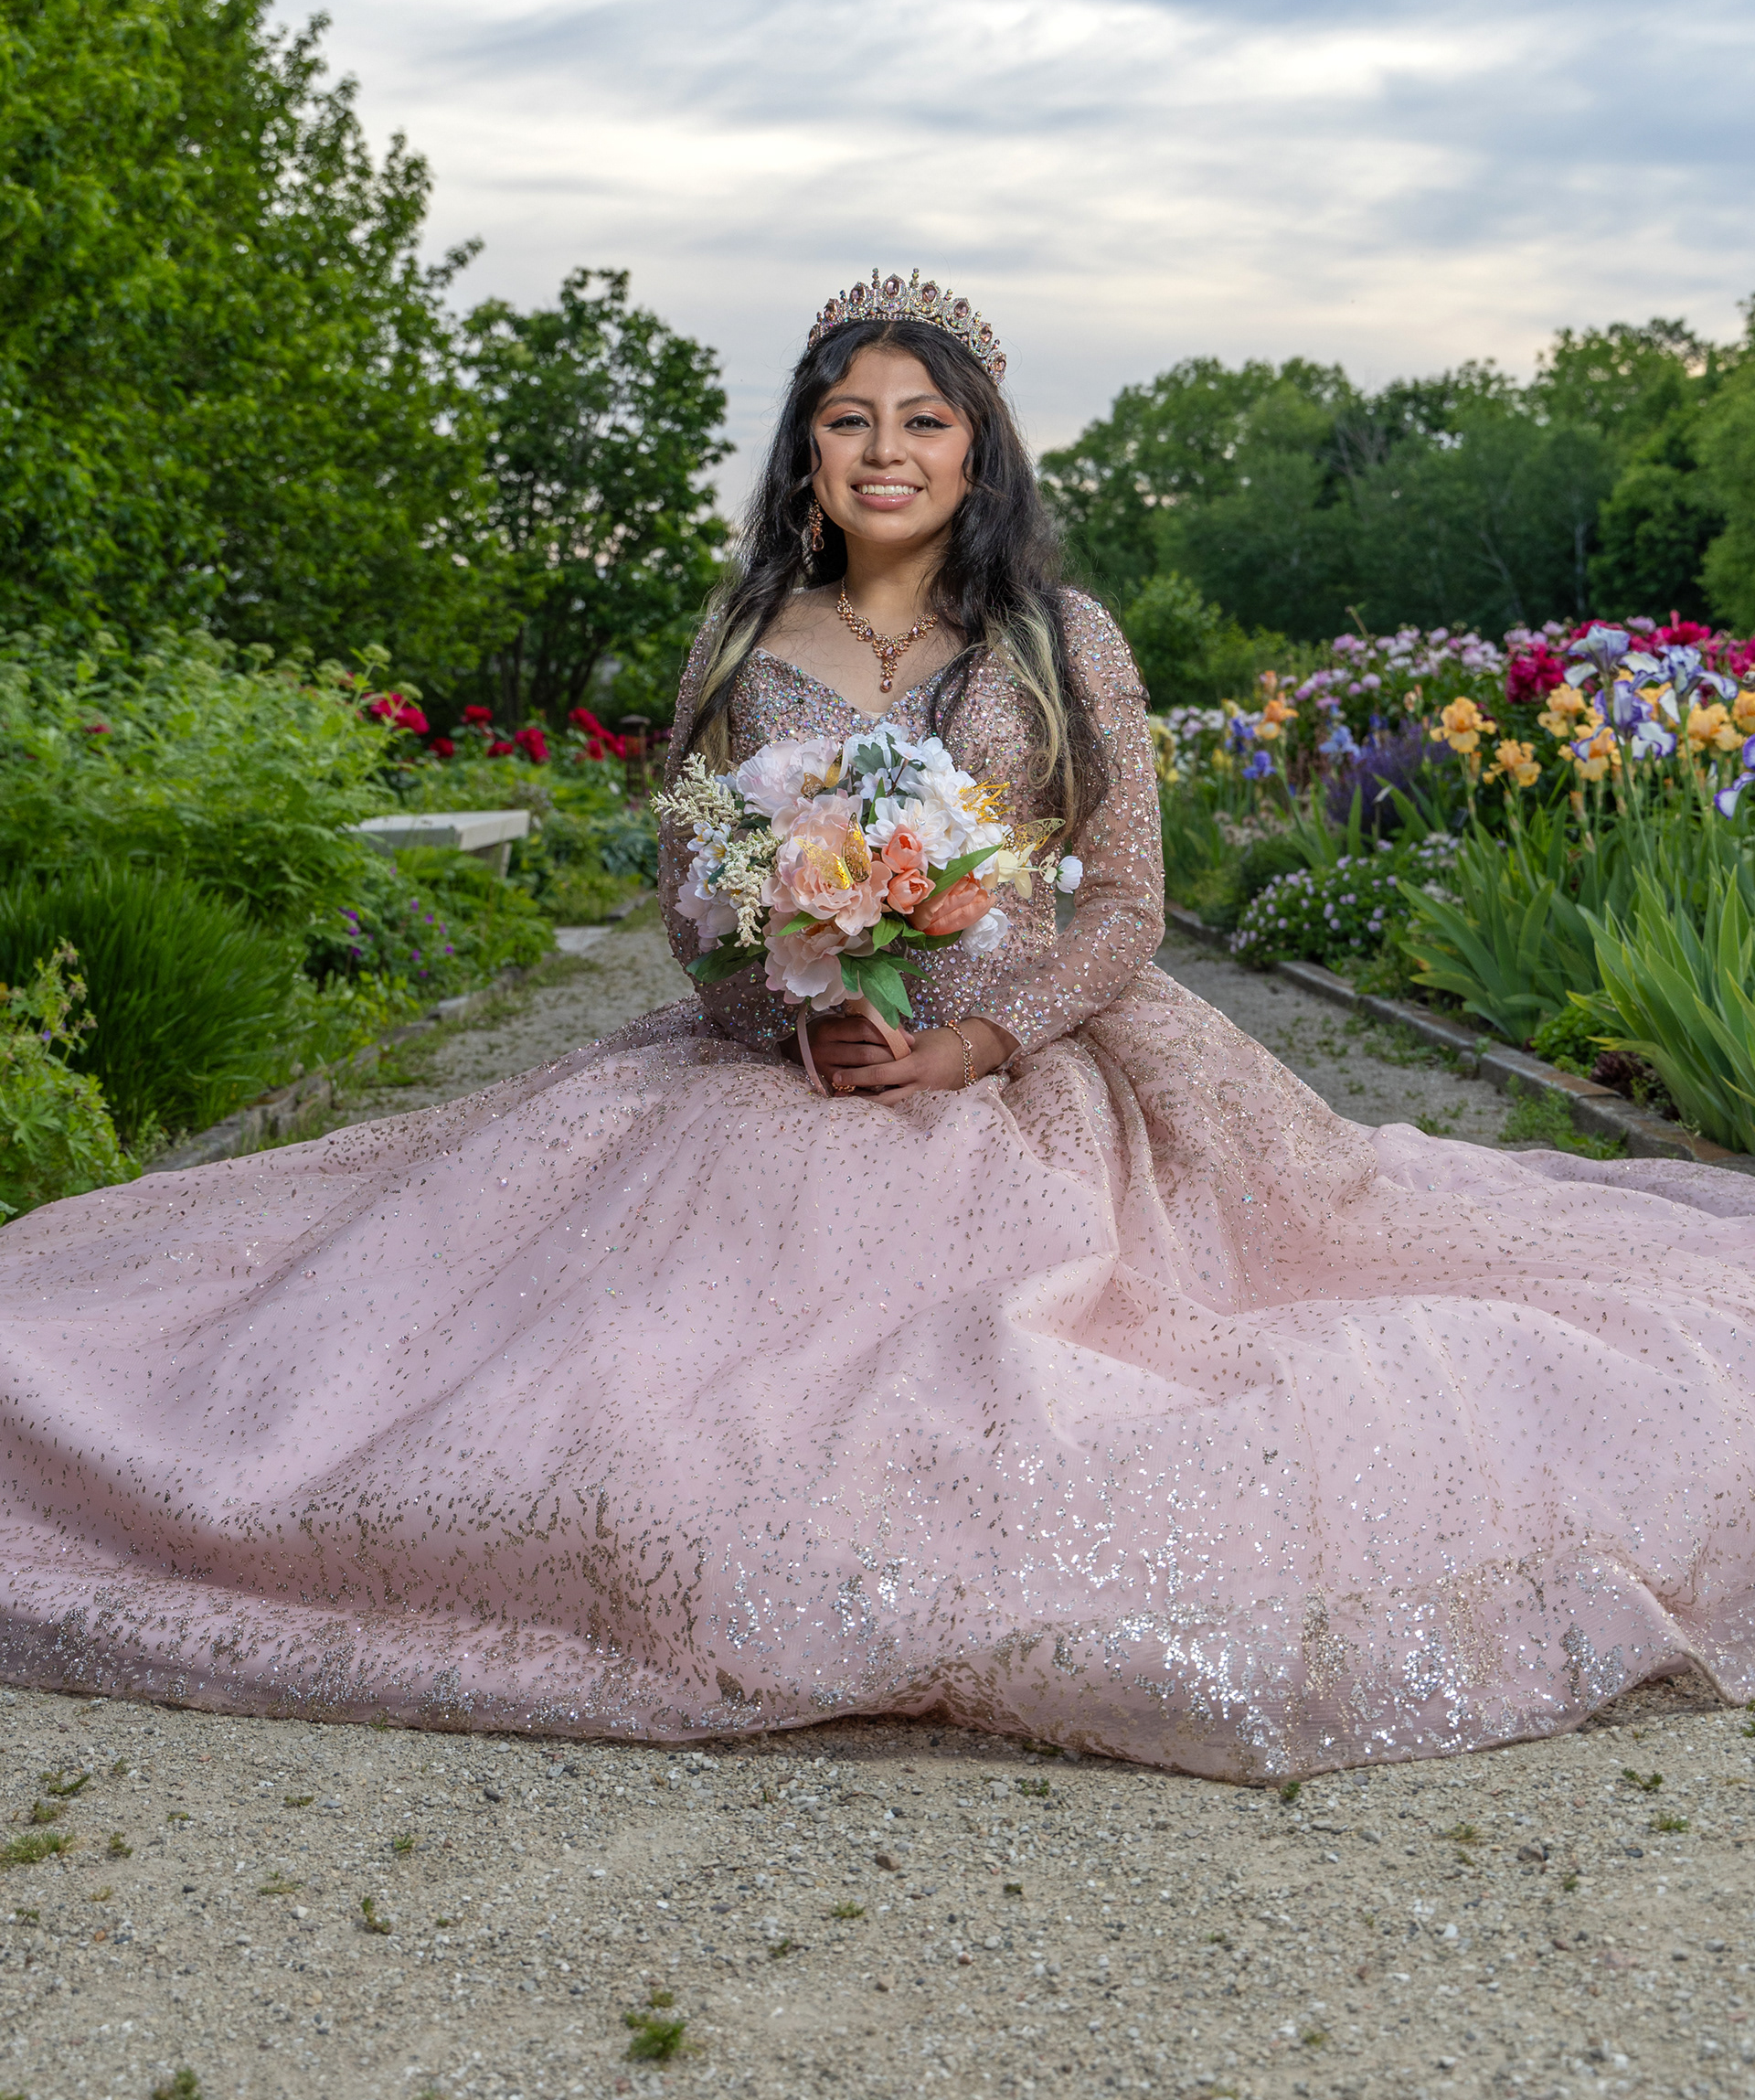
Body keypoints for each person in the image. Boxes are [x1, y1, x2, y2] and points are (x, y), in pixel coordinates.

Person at [1, 272, 1752, 1785]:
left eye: (925, 419)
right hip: (791, 1067)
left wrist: (978, 1041)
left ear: (977, 449)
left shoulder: (1058, 638)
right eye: (850, 420)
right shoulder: (743, 630)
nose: (888, 448)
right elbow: (693, 890)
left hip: (1033, 1062)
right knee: (585, 1368)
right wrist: (795, 993)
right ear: (808, 454)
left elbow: (1129, 906)